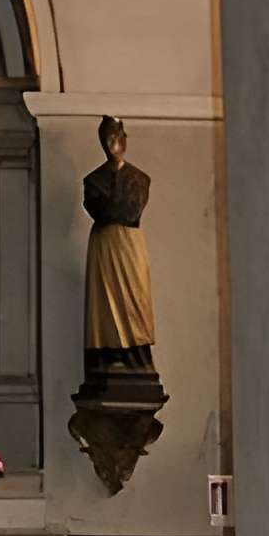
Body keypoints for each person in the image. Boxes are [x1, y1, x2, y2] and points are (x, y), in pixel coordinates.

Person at [82, 115, 155, 371]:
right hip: (104, 246)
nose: (112, 143)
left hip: (129, 244)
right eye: (107, 138)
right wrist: (111, 209)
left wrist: (109, 207)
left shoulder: (139, 178)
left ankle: (137, 356)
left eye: (116, 137)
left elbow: (130, 212)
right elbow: (99, 209)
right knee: (105, 300)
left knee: (134, 298)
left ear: (125, 140)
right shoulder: (93, 180)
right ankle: (108, 355)